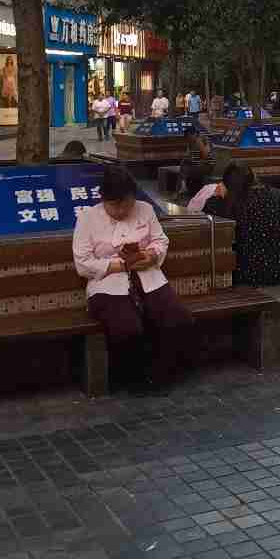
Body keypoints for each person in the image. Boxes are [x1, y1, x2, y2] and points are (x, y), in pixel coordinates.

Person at [73, 165, 192, 393]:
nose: (121, 211)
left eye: (126, 204)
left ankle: (162, 374)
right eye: (114, 205)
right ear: (103, 198)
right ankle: (133, 378)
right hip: (108, 283)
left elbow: (160, 240)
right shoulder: (87, 218)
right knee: (127, 328)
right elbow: (83, 263)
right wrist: (120, 265)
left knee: (177, 319)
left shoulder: (145, 209)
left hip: (148, 276)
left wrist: (152, 255)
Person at [203, 162, 280, 284]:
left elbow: (208, 229)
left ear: (227, 185)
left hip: (252, 274)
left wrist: (216, 196)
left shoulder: (227, 204)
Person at [178, 134, 212, 202]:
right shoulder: (197, 145)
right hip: (200, 167)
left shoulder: (204, 147)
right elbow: (191, 156)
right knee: (184, 165)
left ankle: (183, 187)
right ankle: (183, 186)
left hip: (204, 168)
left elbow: (204, 158)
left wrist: (191, 160)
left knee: (184, 167)